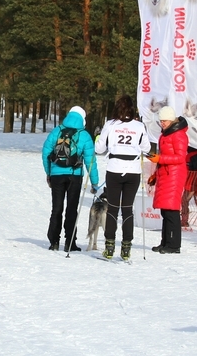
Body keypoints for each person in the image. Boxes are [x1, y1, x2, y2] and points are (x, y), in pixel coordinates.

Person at [94, 95, 151, 260]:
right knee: (127, 209)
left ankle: (109, 247)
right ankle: (126, 248)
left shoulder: (110, 125)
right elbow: (146, 147)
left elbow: (99, 149)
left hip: (114, 170)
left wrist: (98, 138)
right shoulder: (139, 126)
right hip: (132, 171)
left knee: (113, 208)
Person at [42, 106, 99, 252]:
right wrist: (94, 182)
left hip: (56, 175)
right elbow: (90, 160)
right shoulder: (84, 135)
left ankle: (54, 241)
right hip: (74, 175)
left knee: (57, 208)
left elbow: (46, 152)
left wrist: (49, 173)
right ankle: (70, 242)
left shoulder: (56, 131)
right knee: (72, 209)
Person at [148, 106, 188, 254]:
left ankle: (173, 245)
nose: (162, 123)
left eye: (164, 121)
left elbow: (180, 157)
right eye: (161, 121)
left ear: (171, 120)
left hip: (174, 175)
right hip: (166, 174)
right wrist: (155, 174)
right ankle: (165, 242)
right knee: (166, 211)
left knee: (171, 211)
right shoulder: (166, 134)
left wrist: (160, 159)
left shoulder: (178, 135)